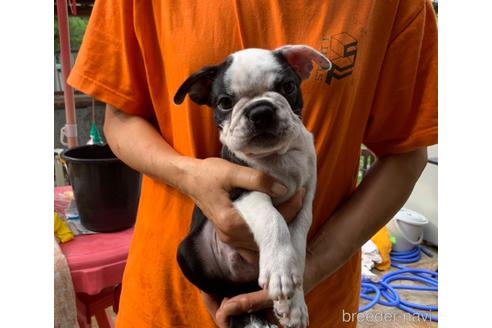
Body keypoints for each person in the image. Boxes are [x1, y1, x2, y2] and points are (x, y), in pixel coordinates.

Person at [67, 0, 437, 327]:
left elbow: (406, 153)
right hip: (174, 290)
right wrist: (188, 176)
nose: (260, 114)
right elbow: (119, 116)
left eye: (284, 89)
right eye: (229, 104)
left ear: (302, 67)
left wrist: (305, 271)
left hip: (315, 300)